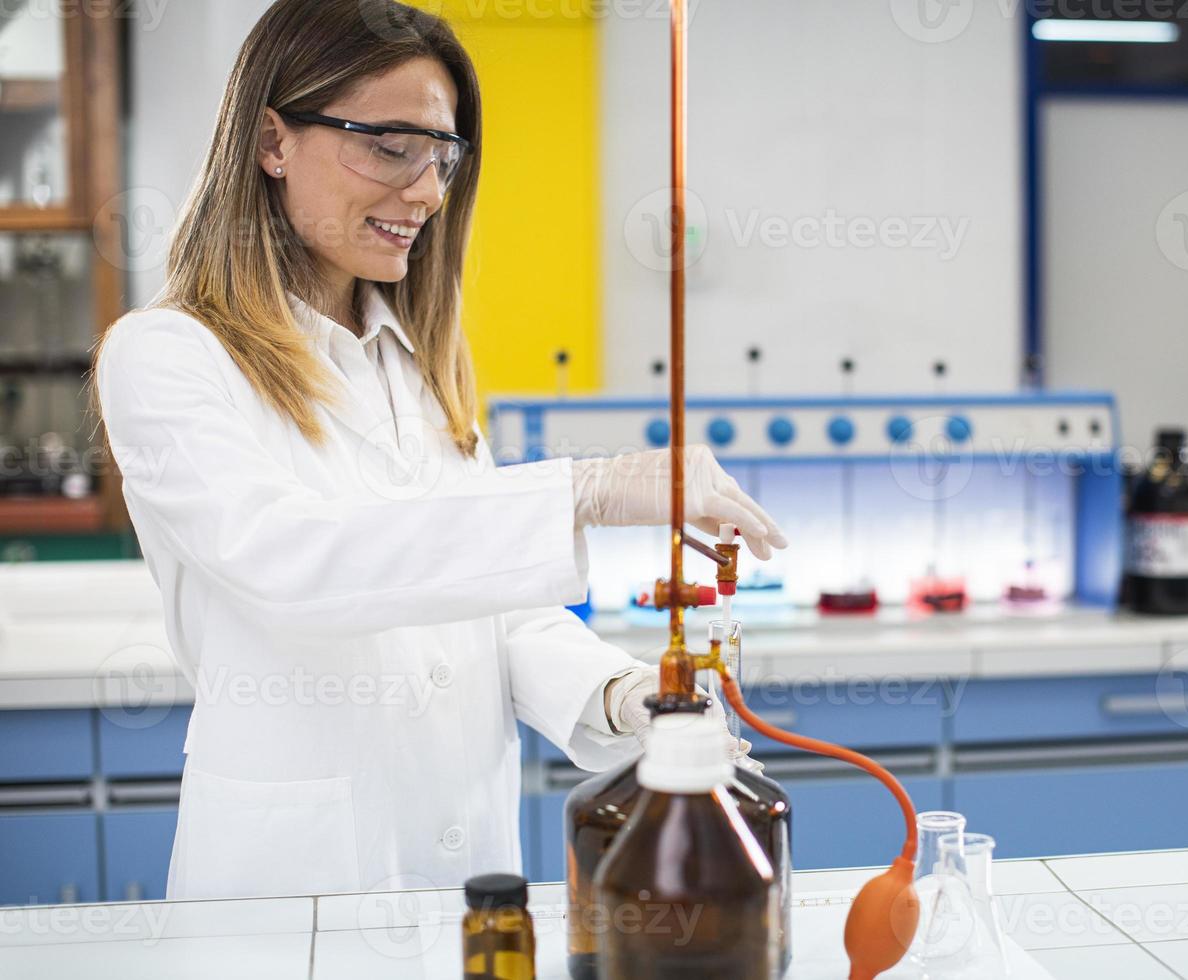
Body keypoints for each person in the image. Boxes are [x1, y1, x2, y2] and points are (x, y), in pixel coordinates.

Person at [93, 0, 785, 900]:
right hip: (288, 887)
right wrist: (587, 489)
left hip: (467, 870)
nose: (426, 189)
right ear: (271, 140)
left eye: (443, 156)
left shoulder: (416, 364)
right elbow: (294, 562)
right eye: (389, 146)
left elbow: (496, 614)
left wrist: (619, 699)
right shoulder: (168, 354)